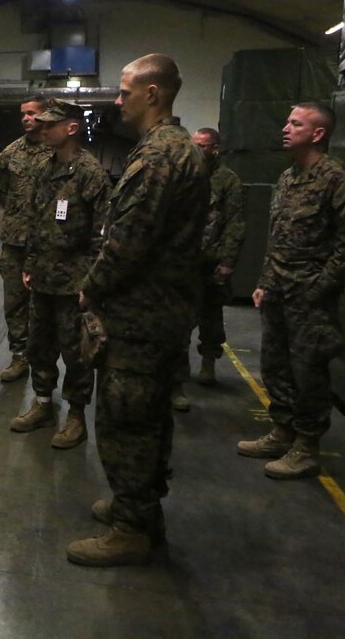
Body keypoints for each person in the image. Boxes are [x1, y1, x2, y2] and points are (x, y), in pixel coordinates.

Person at [68, 54, 209, 566]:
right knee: (147, 418)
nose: (118, 100)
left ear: (153, 94)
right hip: (159, 310)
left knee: (127, 420)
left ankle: (132, 528)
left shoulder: (158, 158)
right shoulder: (172, 149)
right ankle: (140, 508)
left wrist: (90, 288)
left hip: (140, 317)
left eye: (126, 91)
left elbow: (128, 242)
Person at [237, 103, 345, 479]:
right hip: (279, 293)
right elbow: (276, 238)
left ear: (318, 134)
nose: (285, 128)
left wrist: (319, 287)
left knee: (308, 372)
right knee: (275, 366)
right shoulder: (287, 178)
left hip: (310, 299)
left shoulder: (339, 181)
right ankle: (282, 431)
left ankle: (306, 447)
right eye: (287, 121)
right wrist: (264, 281)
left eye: (296, 123)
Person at [13, 100, 110, 448]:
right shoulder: (44, 168)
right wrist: (29, 264)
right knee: (39, 345)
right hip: (42, 277)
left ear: (71, 128)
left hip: (75, 281)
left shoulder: (90, 172)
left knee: (76, 353)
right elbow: (36, 222)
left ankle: (75, 416)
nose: (43, 129)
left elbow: (102, 235)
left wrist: (93, 283)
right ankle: (42, 404)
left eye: (50, 125)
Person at [170, 127, 245, 413]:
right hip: (185, 262)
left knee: (210, 317)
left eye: (202, 146)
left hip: (212, 262)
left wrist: (227, 261)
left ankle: (209, 362)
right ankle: (178, 381)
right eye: (194, 145)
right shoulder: (185, 176)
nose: (197, 150)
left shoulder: (228, 181)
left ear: (215, 148)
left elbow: (235, 223)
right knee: (179, 321)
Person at [0, 96, 56, 383]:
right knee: (14, 303)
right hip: (15, 242)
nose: (26, 118)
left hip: (48, 244)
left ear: (45, 116)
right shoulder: (10, 153)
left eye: (32, 113)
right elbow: (3, 186)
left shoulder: (57, 151)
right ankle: (19, 356)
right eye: (23, 114)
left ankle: (43, 361)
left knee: (45, 307)